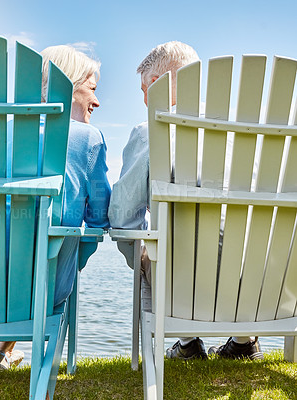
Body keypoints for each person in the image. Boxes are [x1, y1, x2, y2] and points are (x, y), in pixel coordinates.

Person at [0, 45, 111, 372]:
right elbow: (100, 219)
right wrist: (76, 259)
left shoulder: (0, 135)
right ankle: (2, 354)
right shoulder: (88, 139)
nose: (97, 101)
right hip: (42, 290)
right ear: (68, 84)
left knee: (7, 242)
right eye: (92, 87)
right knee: (45, 255)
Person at [108, 41, 264, 361]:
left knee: (146, 249)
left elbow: (123, 216)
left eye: (142, 90)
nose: (143, 100)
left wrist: (136, 256)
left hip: (183, 285)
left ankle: (188, 342)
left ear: (155, 84)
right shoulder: (250, 132)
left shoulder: (149, 130)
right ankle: (244, 340)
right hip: (258, 279)